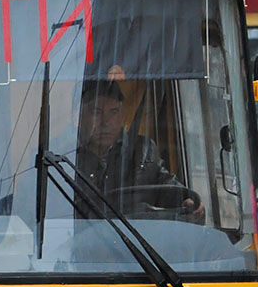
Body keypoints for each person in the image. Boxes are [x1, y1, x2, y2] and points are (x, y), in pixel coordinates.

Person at [74, 79, 202, 218]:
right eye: (97, 112)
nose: (106, 122)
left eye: (114, 112)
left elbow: (163, 184)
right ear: (78, 115)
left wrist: (184, 197)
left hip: (134, 235)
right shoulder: (61, 156)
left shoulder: (142, 150)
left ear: (122, 115)